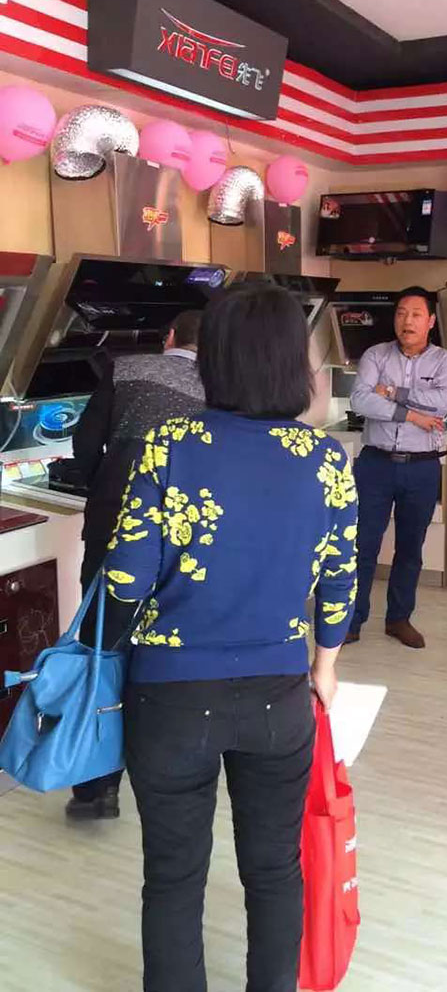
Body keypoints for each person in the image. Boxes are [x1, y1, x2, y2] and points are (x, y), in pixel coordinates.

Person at [103, 282, 357, 992]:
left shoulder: (170, 444)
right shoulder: (326, 459)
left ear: (213, 358)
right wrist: (325, 666)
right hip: (280, 695)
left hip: (169, 696)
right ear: (292, 363)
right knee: (275, 869)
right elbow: (340, 582)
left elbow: (125, 578)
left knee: (173, 875)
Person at [65, 309, 206, 820]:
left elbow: (85, 444)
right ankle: (167, 773)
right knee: (169, 651)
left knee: (102, 646)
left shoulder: (124, 369)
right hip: (184, 539)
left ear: (168, 337)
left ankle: (97, 785)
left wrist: (103, 483)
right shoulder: (222, 387)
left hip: (114, 526)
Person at [346, 285, 447, 649]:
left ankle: (398, 619)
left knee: (411, 548)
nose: (406, 321)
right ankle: (352, 620)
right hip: (375, 464)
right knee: (362, 544)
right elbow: (360, 400)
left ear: (430, 321)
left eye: (415, 314)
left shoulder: (445, 361)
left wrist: (393, 393)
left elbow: (442, 403)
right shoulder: (375, 355)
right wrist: (411, 415)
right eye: (400, 313)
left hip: (422, 467)